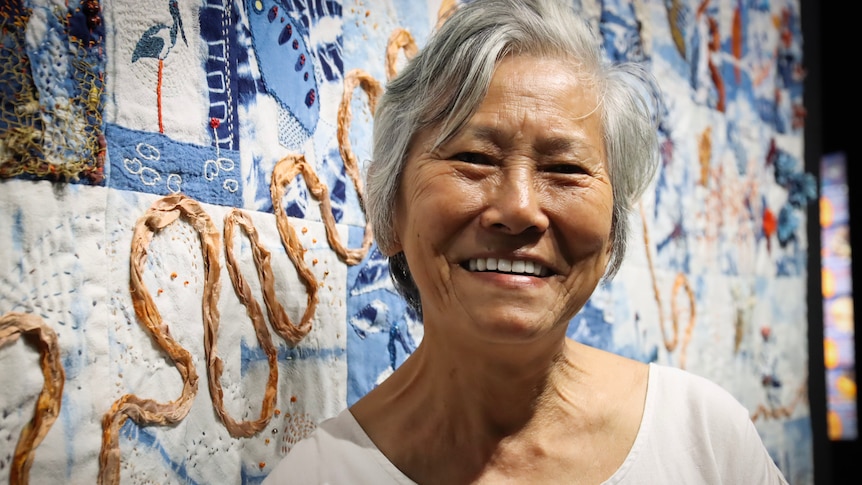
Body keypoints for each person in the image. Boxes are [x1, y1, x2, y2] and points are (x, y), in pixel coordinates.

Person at [264, 0, 789, 483]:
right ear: (390, 213)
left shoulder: (704, 439)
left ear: (611, 233)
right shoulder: (322, 474)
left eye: (565, 169)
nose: (518, 208)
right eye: (473, 159)